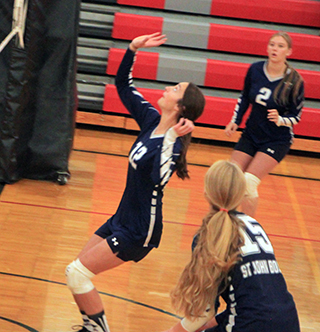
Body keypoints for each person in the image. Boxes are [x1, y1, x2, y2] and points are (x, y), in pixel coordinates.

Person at [65, 32, 206, 332]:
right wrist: (132, 49)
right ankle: (92, 326)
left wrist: (171, 137)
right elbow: (123, 86)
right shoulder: (152, 120)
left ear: (180, 107)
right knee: (78, 272)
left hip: (140, 230)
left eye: (175, 89)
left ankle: (98, 330)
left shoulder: (175, 146)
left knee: (76, 274)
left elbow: (157, 177)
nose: (167, 88)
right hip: (122, 218)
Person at [163, 160, 300, 332]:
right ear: (241, 194)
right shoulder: (254, 225)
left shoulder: (206, 236)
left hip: (251, 325)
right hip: (289, 321)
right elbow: (253, 303)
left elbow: (204, 312)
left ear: (206, 192)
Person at [225, 31, 304, 217]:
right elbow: (244, 97)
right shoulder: (255, 69)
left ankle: (248, 229)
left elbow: (296, 116)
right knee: (230, 179)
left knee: (248, 182)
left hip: (276, 140)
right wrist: (235, 121)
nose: (275, 49)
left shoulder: (294, 81)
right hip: (251, 134)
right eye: (272, 44)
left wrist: (280, 119)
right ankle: (225, 222)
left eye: (280, 46)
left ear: (289, 52)